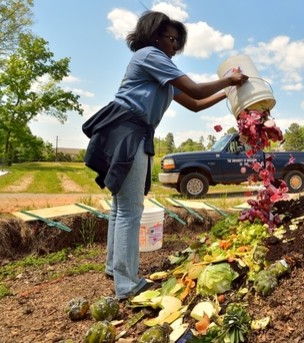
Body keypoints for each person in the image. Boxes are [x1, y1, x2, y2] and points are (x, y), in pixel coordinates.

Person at [82, 11, 248, 300]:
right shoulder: (149, 55)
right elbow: (195, 88)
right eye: (171, 39)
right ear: (154, 36)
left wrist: (227, 94)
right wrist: (229, 80)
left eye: (176, 42)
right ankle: (127, 284)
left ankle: (115, 269)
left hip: (134, 132)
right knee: (130, 208)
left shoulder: (163, 75)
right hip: (128, 130)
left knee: (121, 207)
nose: (174, 47)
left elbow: (195, 103)